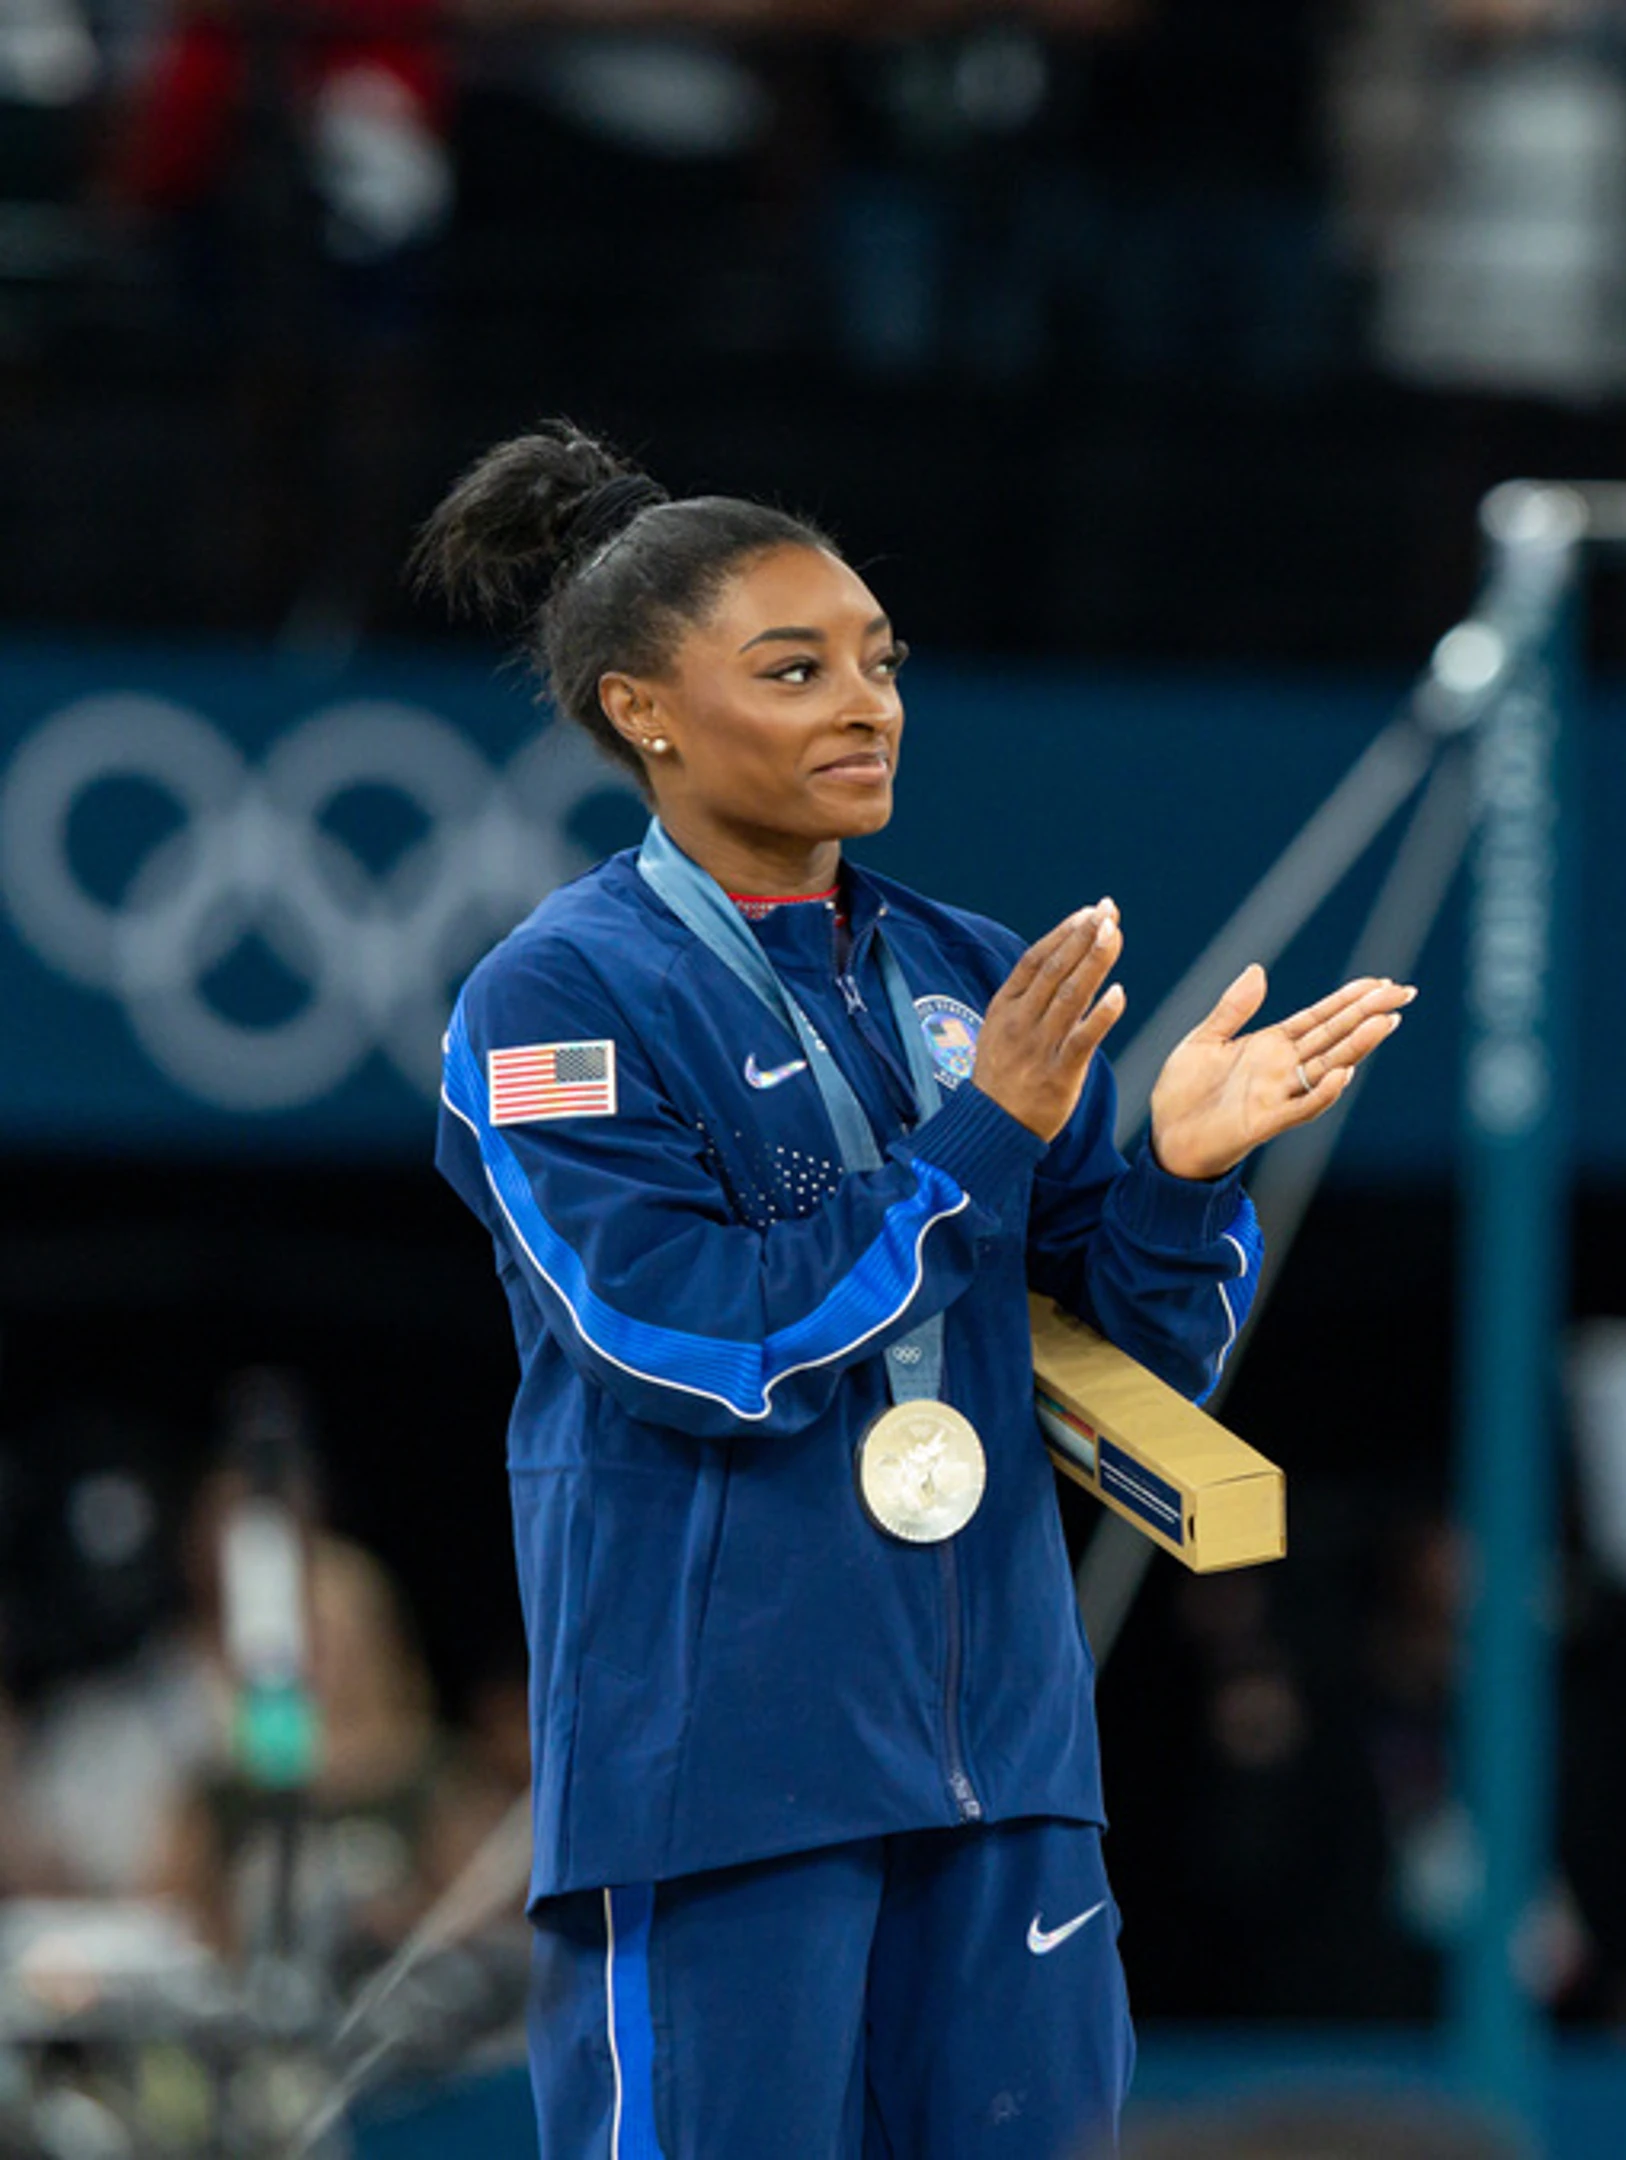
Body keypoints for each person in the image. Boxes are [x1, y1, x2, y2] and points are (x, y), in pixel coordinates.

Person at [412, 421, 1414, 2158]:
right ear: (644, 711)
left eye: (879, 662)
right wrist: (977, 1142)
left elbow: (1127, 1363)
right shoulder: (559, 999)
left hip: (1005, 1772)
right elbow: (685, 1337)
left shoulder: (966, 977)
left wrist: (1181, 1173)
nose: (866, 705)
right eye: (794, 670)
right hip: (721, 1775)